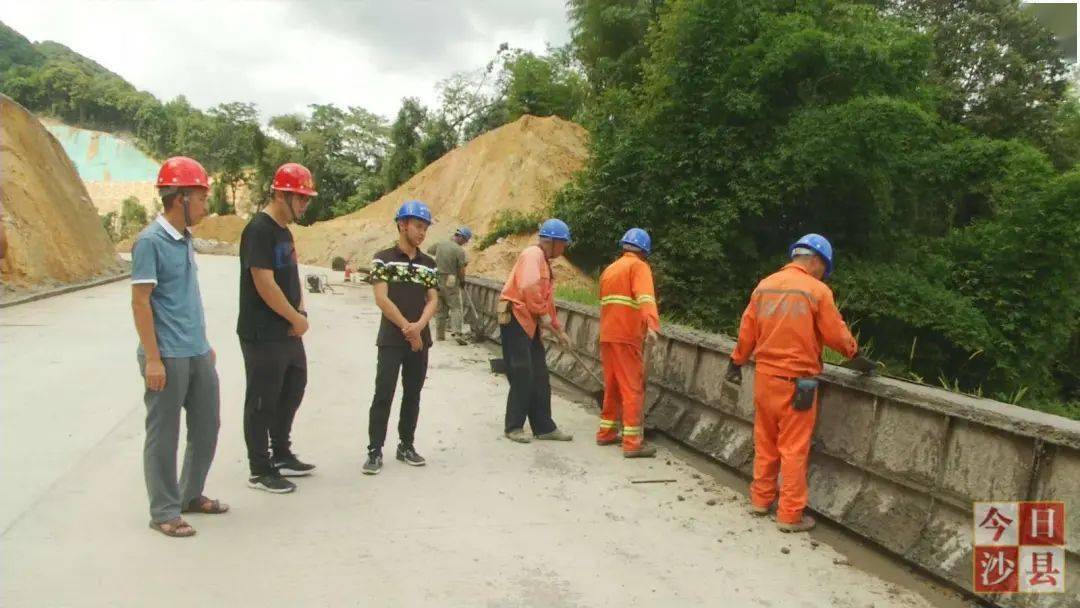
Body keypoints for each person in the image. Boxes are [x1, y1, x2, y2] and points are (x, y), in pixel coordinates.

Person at [728, 233, 862, 532]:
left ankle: (760, 501)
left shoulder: (764, 286)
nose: (822, 274)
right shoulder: (817, 291)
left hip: (764, 378)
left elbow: (747, 329)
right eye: (823, 268)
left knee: (765, 442)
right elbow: (835, 334)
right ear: (815, 260)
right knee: (793, 448)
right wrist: (855, 354)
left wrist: (737, 360)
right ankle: (789, 515)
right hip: (798, 383)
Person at [130, 156, 225, 537]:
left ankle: (189, 494)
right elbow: (141, 302)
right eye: (201, 198)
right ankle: (164, 510)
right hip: (166, 354)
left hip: (195, 350)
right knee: (164, 433)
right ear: (180, 197)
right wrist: (153, 358)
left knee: (207, 426)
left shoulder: (184, 239)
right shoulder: (150, 242)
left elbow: (186, 297)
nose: (206, 205)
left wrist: (204, 344)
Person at [238, 163, 317, 494]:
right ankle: (260, 467)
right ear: (282, 195)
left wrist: (299, 310)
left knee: (293, 387)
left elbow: (289, 273)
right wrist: (295, 318)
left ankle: (281, 451)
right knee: (262, 399)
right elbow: (263, 281)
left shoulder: (284, 231)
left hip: (287, 328)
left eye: (306, 200)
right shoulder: (259, 229)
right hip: (262, 330)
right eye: (300, 199)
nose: (304, 205)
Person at [363, 200, 440, 475]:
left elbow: (433, 300)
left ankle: (406, 445)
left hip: (420, 340)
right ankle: (374, 450)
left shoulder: (429, 264)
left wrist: (419, 326)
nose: (422, 233)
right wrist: (408, 328)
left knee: (413, 394)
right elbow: (381, 299)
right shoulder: (383, 258)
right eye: (418, 226)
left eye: (425, 228)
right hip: (391, 340)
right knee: (383, 393)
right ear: (402, 224)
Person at [498, 218, 575, 443]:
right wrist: (542, 315)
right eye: (563, 244)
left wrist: (558, 330)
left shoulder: (545, 262)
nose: (564, 248)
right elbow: (529, 287)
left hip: (528, 322)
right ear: (551, 241)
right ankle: (513, 427)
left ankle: (544, 427)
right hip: (515, 320)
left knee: (539, 374)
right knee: (522, 372)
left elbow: (546, 300)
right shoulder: (533, 255)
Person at [596, 228, 660, 458]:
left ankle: (606, 432)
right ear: (644, 250)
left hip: (608, 334)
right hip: (626, 335)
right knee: (632, 387)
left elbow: (603, 300)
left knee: (612, 384)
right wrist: (652, 325)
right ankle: (632, 442)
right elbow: (645, 297)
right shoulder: (639, 267)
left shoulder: (611, 269)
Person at [427, 226, 472, 344]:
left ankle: (440, 335)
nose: (465, 243)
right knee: (456, 307)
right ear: (461, 237)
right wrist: (462, 281)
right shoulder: (459, 250)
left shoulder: (441, 243)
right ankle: (457, 332)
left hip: (437, 279)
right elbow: (461, 269)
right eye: (465, 240)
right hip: (451, 280)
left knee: (441, 309)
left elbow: (429, 250)